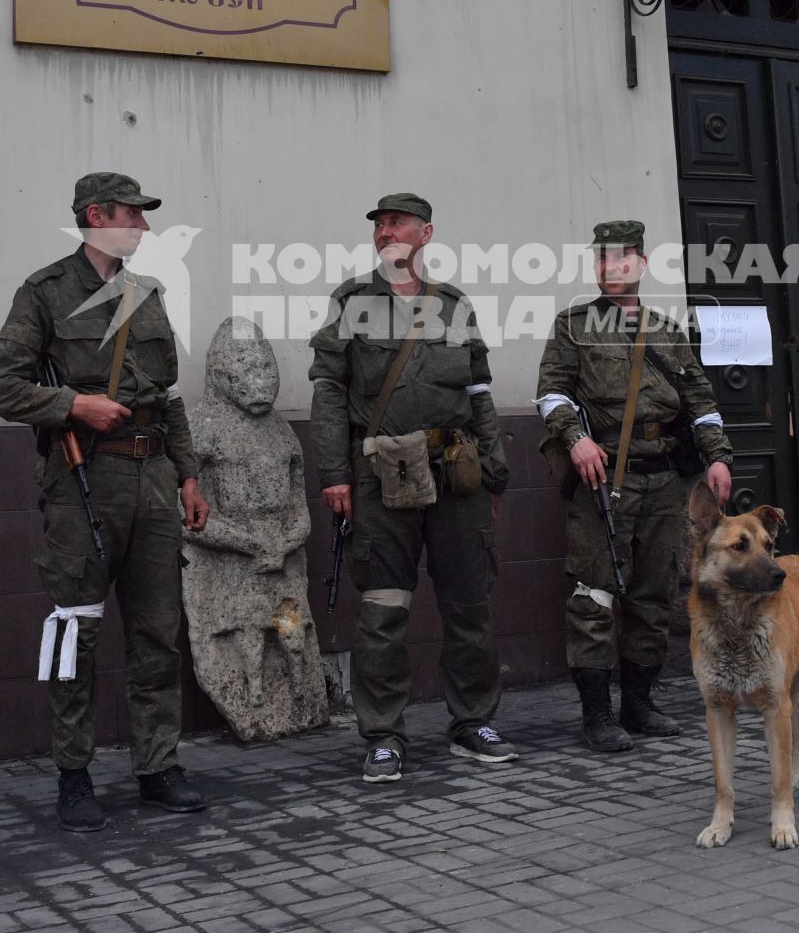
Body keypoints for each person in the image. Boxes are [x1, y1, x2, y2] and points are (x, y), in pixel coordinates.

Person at [0, 172, 213, 833]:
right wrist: (74, 404)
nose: (142, 226)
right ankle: (74, 775)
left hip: (153, 478)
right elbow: (1, 386)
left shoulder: (148, 294)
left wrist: (188, 477)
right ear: (96, 215)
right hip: (84, 480)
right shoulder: (46, 293)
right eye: (132, 215)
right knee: (76, 633)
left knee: (157, 633)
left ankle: (157, 768)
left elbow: (167, 398)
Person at [308, 192, 513, 783]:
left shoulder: (453, 305)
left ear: (426, 234)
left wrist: (495, 473)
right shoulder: (352, 300)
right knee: (382, 611)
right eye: (379, 224)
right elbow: (327, 391)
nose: (385, 232)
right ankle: (383, 736)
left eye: (398, 223)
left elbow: (479, 394)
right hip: (380, 479)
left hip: (457, 477)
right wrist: (334, 474)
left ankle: (473, 723)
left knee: (469, 605)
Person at [534, 219, 733, 752]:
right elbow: (551, 394)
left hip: (665, 481)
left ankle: (639, 703)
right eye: (601, 260)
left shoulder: (667, 331)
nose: (609, 268)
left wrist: (717, 459)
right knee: (594, 595)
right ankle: (597, 715)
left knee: (655, 595)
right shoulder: (573, 325)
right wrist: (575, 439)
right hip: (605, 479)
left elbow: (702, 403)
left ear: (641, 265)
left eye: (620, 259)